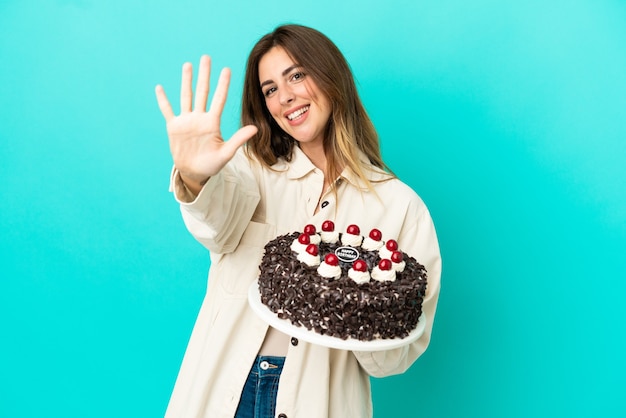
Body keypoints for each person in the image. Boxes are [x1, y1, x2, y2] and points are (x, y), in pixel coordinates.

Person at [155, 24, 441, 418]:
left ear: (330, 76)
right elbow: (215, 226)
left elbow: (396, 358)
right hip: (224, 389)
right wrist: (194, 176)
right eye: (270, 88)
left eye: (297, 75)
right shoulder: (247, 168)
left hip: (317, 402)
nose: (285, 96)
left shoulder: (401, 208)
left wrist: (360, 305)